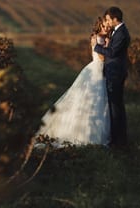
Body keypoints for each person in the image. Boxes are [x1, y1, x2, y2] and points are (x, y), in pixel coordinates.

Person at [34, 17, 111, 148]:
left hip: (97, 69)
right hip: (97, 70)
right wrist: (108, 45)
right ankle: (88, 135)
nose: (106, 29)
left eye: (108, 27)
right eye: (104, 26)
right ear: (99, 26)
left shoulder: (99, 37)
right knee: (93, 100)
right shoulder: (98, 38)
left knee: (97, 101)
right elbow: (102, 57)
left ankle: (95, 133)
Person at [92, 6, 130, 147]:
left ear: (115, 19)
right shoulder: (118, 32)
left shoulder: (121, 33)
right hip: (113, 72)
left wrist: (96, 47)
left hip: (116, 73)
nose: (107, 22)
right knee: (116, 107)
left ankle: (118, 141)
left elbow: (113, 53)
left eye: (108, 19)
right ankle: (119, 139)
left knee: (116, 108)